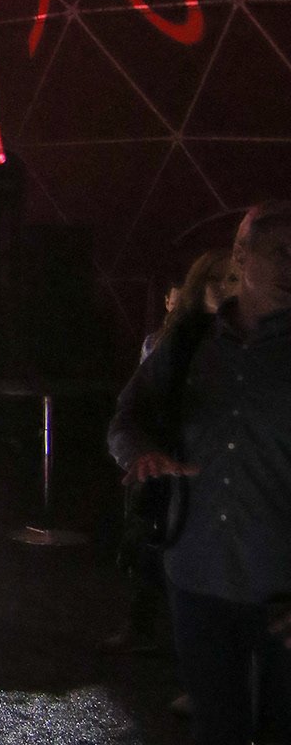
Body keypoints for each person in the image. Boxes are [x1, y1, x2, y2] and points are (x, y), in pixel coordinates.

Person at [108, 202, 291, 745]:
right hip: (197, 575)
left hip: (282, 587)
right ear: (242, 254)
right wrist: (140, 453)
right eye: (280, 252)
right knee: (216, 728)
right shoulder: (190, 343)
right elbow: (127, 419)